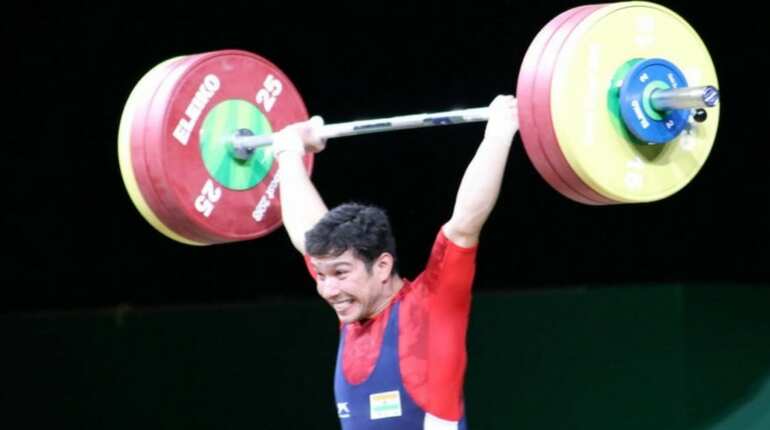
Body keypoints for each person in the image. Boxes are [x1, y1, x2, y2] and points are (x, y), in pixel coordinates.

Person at [272, 95, 518, 429]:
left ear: (383, 266)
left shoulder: (432, 307)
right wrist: (288, 153)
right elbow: (308, 233)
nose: (328, 290)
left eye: (341, 273)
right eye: (321, 275)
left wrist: (500, 132)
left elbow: (463, 225)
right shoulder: (352, 305)